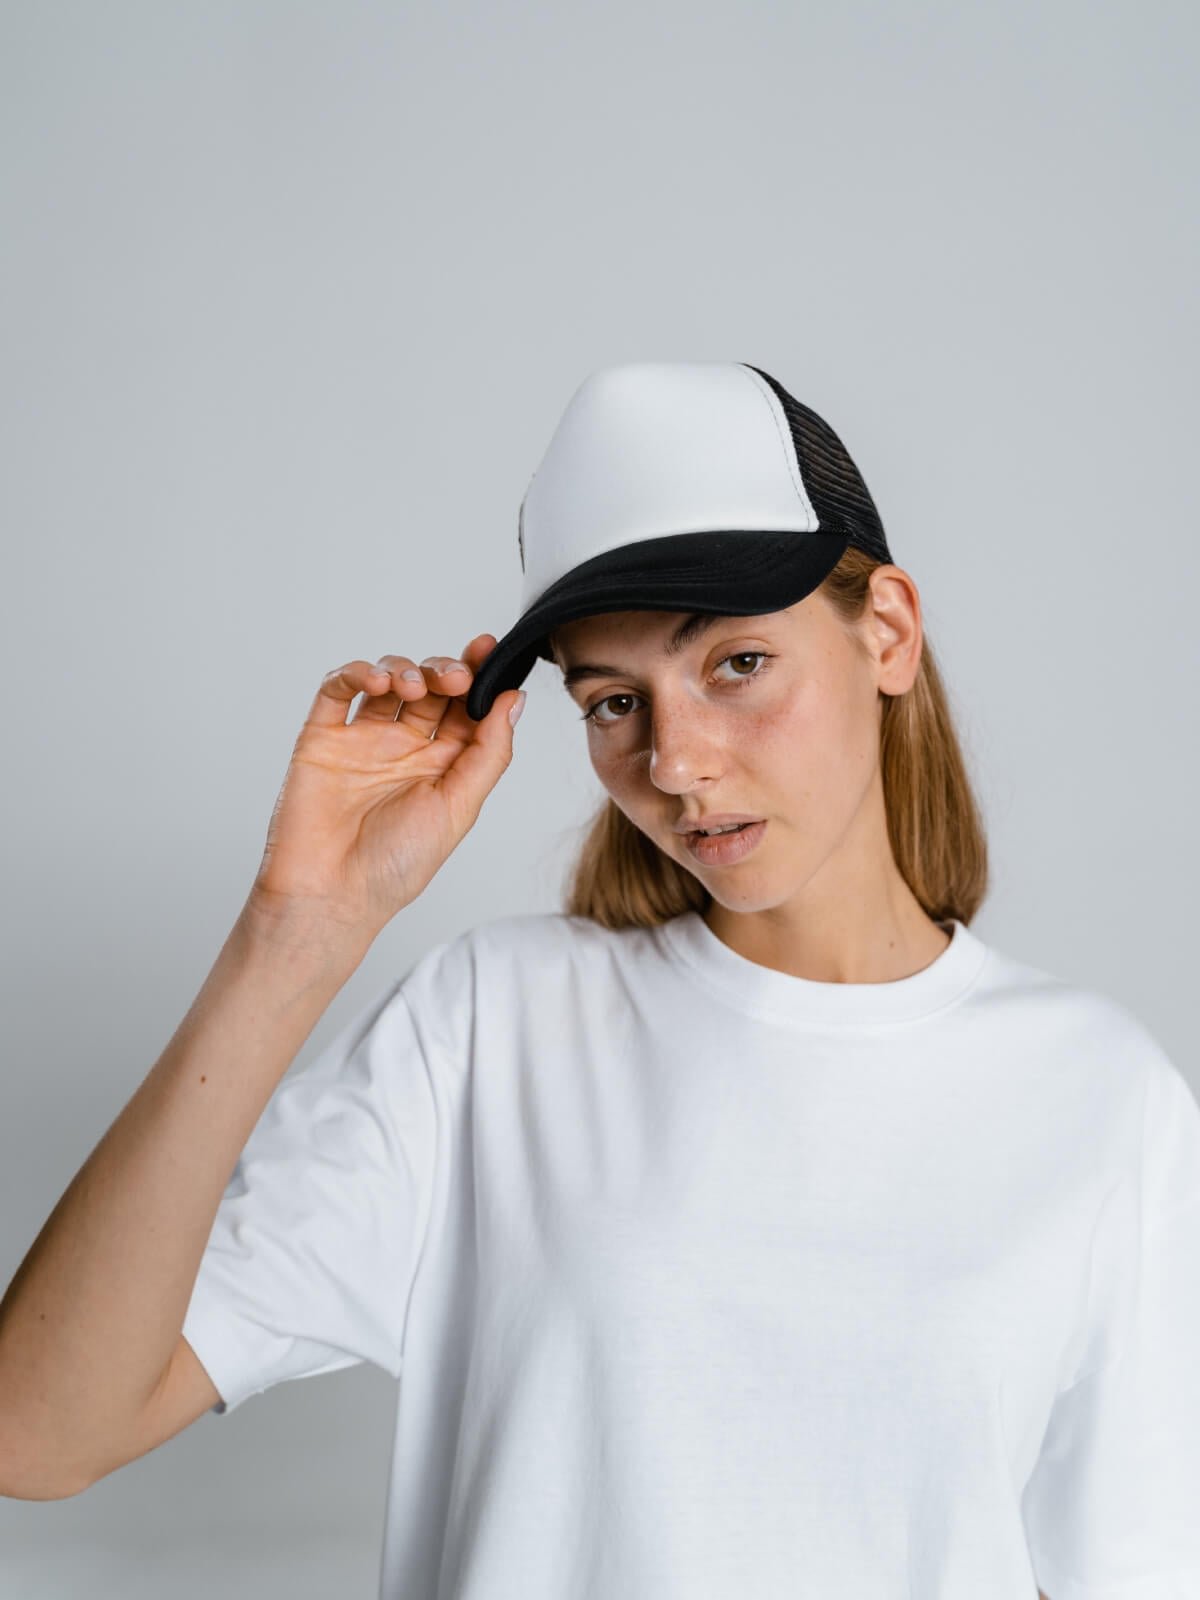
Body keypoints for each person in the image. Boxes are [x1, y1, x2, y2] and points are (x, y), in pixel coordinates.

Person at [1, 362, 1197, 1599]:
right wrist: (296, 930)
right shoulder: (494, 1031)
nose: (674, 761)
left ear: (886, 631)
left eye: (736, 662)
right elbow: (35, 1432)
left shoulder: (1102, 1097)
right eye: (614, 700)